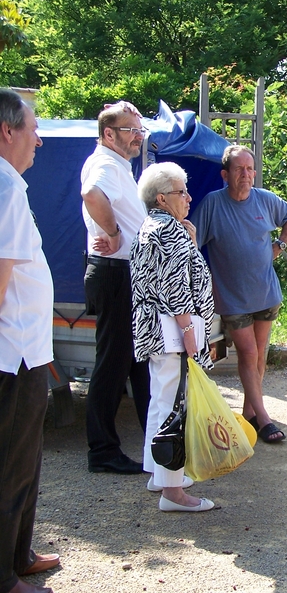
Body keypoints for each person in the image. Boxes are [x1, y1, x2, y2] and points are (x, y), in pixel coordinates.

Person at [192, 145, 287, 443]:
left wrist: (280, 245)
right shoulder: (213, 204)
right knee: (249, 353)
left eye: (250, 169)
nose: (246, 174)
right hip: (232, 297)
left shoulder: (265, 199)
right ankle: (264, 419)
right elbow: (192, 241)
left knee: (259, 354)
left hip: (266, 292)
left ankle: (249, 414)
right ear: (225, 174)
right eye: (239, 169)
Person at [130, 162, 215, 512]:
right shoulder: (170, 230)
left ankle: (158, 472)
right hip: (171, 330)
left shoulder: (153, 225)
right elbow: (175, 287)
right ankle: (172, 491)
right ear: (162, 198)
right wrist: (188, 331)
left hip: (155, 329)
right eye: (182, 192)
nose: (189, 197)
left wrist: (190, 242)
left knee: (161, 398)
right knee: (174, 405)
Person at [0, 89, 58, 593]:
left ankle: (20, 554)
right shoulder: (4, 188)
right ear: (7, 131)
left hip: (27, 351)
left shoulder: (9, 185)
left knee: (25, 460)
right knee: (9, 466)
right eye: (33, 129)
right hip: (12, 354)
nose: (39, 139)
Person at [81, 100, 150, 474]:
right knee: (113, 364)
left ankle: (157, 440)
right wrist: (113, 232)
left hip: (126, 273)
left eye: (140, 130)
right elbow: (92, 195)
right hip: (115, 274)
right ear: (109, 134)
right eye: (131, 130)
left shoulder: (117, 164)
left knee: (139, 362)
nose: (138, 136)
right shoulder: (105, 164)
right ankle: (103, 450)